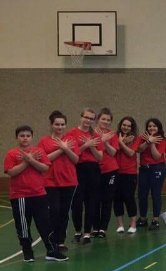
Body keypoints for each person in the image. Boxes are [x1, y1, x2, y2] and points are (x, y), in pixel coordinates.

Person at [4, 126, 67, 262]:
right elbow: (12, 172)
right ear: (16, 138)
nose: (25, 138)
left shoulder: (39, 152)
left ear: (32, 137)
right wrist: (27, 161)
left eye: (28, 136)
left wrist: (31, 159)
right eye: (22, 136)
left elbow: (44, 168)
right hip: (20, 196)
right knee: (23, 225)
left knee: (45, 224)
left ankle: (52, 251)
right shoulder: (11, 154)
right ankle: (27, 252)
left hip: (39, 194)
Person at [38, 110, 78, 250]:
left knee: (64, 211)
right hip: (50, 181)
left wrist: (66, 148)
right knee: (53, 211)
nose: (60, 127)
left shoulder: (71, 140)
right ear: (51, 125)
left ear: (65, 125)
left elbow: (75, 159)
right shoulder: (44, 141)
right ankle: (52, 240)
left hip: (69, 181)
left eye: (62, 124)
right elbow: (44, 159)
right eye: (57, 124)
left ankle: (61, 241)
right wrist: (61, 149)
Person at [67, 108, 103, 245]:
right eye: (86, 117)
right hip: (78, 169)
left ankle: (87, 233)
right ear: (81, 117)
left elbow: (100, 157)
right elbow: (70, 153)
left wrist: (91, 146)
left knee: (91, 202)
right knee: (77, 203)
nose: (88, 120)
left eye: (91, 118)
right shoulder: (72, 133)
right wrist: (85, 145)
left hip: (93, 170)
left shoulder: (95, 135)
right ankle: (78, 231)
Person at [137, 118, 166, 230]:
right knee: (142, 195)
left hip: (157, 168)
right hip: (144, 169)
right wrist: (147, 141)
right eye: (150, 126)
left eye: (154, 126)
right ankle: (143, 218)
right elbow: (139, 150)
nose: (152, 128)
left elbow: (157, 156)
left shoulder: (162, 139)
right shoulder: (142, 138)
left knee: (156, 194)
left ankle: (155, 220)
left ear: (158, 128)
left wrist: (152, 143)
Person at [94, 108, 119, 239]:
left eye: (108, 120)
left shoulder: (112, 134)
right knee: (95, 200)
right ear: (98, 119)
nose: (106, 122)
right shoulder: (91, 133)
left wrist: (105, 142)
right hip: (95, 170)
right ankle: (95, 227)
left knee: (107, 200)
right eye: (103, 119)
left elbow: (113, 152)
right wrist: (100, 139)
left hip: (110, 170)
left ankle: (103, 228)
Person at [114, 116, 140, 233]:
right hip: (116, 171)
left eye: (129, 126)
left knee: (129, 198)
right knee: (117, 198)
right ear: (120, 125)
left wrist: (121, 143)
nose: (126, 127)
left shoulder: (136, 138)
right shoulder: (115, 136)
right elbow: (112, 151)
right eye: (124, 125)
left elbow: (130, 153)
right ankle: (120, 225)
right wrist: (121, 142)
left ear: (132, 127)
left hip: (130, 172)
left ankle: (133, 224)